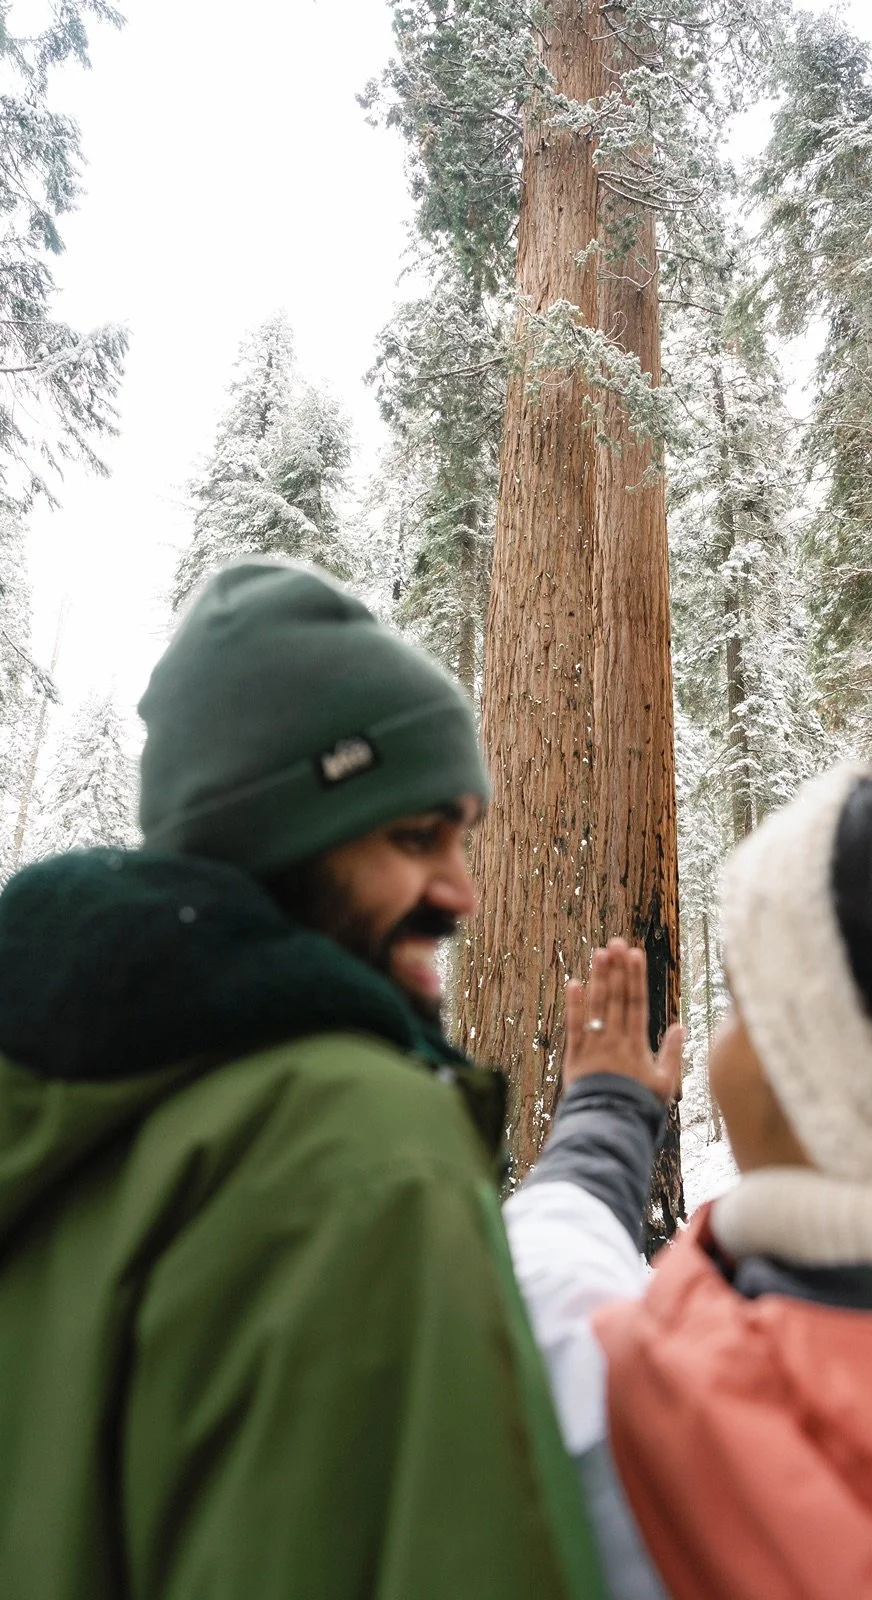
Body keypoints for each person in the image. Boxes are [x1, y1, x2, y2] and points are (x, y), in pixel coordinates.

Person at [0, 559, 604, 1600]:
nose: (462, 892)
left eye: (463, 838)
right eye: (415, 837)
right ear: (281, 840)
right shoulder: (357, 1145)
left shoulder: (59, 1114)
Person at [506, 760, 872, 1600]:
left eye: (744, 1009)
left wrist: (605, 1112)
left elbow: (539, 1285)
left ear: (840, 1086)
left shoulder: (643, 1424)